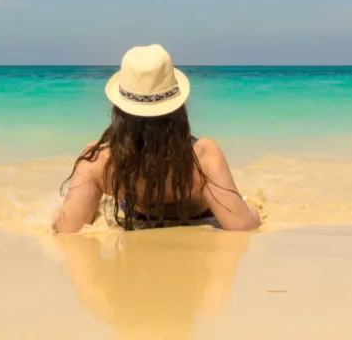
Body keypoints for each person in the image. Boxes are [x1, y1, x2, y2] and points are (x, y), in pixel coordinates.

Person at [53, 44, 261, 233]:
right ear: (178, 108)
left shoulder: (98, 161)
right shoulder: (204, 156)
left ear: (119, 109)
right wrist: (256, 208)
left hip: (135, 218)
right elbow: (242, 226)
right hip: (200, 216)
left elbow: (68, 229)